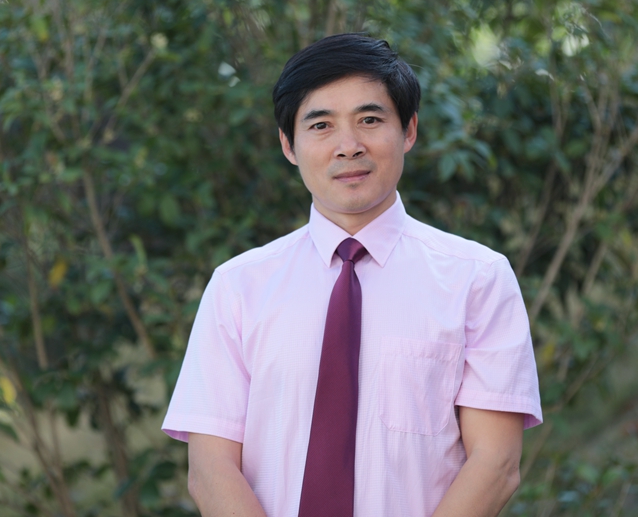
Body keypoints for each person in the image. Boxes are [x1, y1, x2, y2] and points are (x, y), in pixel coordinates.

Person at [162, 33, 542, 517]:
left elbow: (495, 463)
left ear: (408, 130)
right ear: (288, 145)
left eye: (369, 120)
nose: (348, 146)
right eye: (321, 125)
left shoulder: (478, 279)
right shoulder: (237, 287)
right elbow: (210, 469)